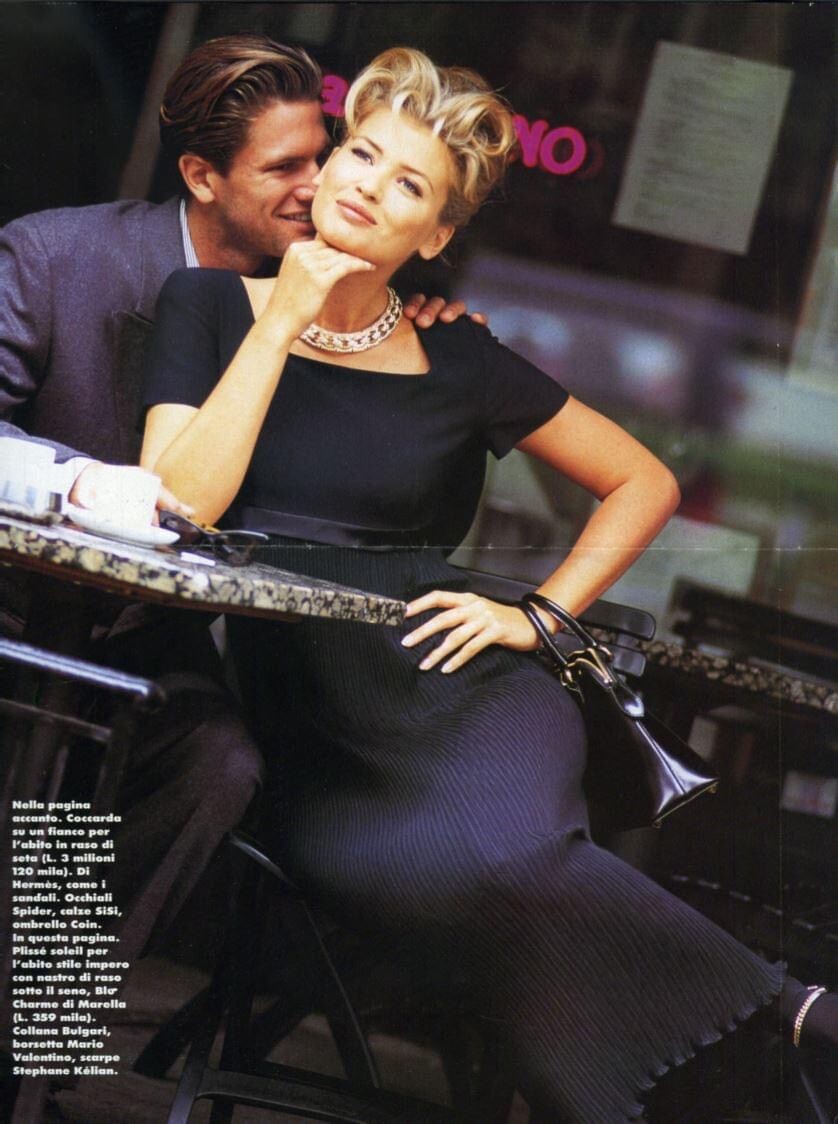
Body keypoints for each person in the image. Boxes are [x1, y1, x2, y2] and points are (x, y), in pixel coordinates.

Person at [141, 47, 836, 1122]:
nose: (368, 186)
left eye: (408, 184)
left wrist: (539, 616)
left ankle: (789, 1027)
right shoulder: (206, 306)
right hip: (319, 731)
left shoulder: (459, 358)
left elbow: (643, 481)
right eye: (360, 155)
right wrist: (281, 318)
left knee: (509, 857)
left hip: (468, 687)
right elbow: (179, 503)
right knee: (506, 886)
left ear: (434, 237)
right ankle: (783, 1041)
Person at [0, 35, 472, 972]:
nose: (320, 185)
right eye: (283, 167)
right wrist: (77, 482)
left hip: (144, 645)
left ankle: (40, 1009)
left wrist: (427, 347)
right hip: (14, 617)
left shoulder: (331, 306)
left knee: (220, 765)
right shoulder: (55, 257)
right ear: (201, 178)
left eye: (323, 155)